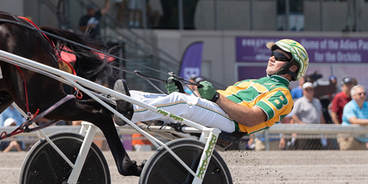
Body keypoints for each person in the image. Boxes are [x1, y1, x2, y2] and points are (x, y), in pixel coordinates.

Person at [116, 39, 308, 137]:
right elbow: (203, 104)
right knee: (154, 96)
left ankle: (129, 111)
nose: (272, 57)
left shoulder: (282, 95)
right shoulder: (252, 82)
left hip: (233, 125)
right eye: (272, 53)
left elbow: (253, 118)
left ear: (292, 67)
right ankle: (112, 102)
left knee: (183, 103)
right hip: (219, 114)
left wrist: (216, 97)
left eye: (279, 56)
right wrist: (181, 92)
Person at [281, 82, 324, 150]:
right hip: (304, 133)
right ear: (303, 91)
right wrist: (301, 123)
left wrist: (323, 128)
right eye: (307, 89)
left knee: (317, 152)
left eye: (311, 89)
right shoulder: (299, 102)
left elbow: (320, 116)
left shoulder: (317, 101)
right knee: (304, 152)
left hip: (316, 132)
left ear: (313, 91)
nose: (309, 91)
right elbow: (293, 115)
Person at [338, 85, 368, 150]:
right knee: (348, 159)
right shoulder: (349, 106)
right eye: (360, 94)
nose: (362, 95)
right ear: (353, 96)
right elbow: (354, 121)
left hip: (364, 139)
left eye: (364, 93)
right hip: (350, 138)